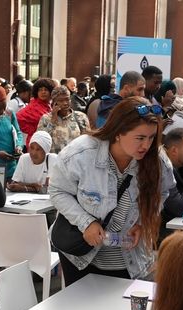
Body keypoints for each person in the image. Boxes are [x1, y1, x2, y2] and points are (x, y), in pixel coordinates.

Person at [49, 96, 174, 286]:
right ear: (118, 133)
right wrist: (86, 223)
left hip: (127, 257)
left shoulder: (158, 162)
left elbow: (163, 193)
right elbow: (57, 191)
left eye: (151, 137)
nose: (146, 146)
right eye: (139, 138)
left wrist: (142, 223)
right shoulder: (81, 153)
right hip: (81, 255)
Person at [36, 86, 90, 153]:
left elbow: (87, 141)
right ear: (54, 103)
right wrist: (52, 121)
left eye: (67, 99)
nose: (65, 103)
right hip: (55, 161)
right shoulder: (46, 119)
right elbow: (41, 141)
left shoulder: (81, 117)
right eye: (61, 101)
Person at [16, 78, 56, 148]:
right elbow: (18, 118)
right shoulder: (34, 105)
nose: (43, 92)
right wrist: (34, 130)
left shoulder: (49, 104)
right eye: (40, 90)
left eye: (46, 90)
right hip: (36, 144)